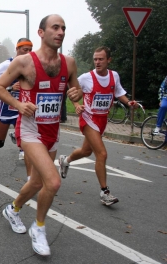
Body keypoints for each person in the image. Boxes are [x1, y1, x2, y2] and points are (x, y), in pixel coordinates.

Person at [0, 14, 82, 256]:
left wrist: (77, 97)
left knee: (37, 181)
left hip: (52, 130)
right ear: (41, 32)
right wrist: (19, 105)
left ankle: (12, 209)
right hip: (30, 130)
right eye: (55, 27)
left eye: (63, 28)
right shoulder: (24, 63)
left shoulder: (70, 63)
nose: (60, 32)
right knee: (52, 182)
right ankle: (39, 228)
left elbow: (76, 90)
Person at [58, 46, 139, 206]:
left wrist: (128, 102)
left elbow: (119, 92)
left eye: (101, 59)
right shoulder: (86, 77)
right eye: (95, 59)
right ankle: (105, 192)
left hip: (102, 120)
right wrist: (76, 104)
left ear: (109, 60)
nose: (97, 62)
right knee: (101, 154)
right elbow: (71, 89)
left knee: (86, 151)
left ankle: (65, 160)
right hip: (88, 119)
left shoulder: (114, 76)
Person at [0, 38, 33, 177]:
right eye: (24, 49)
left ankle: (30, 180)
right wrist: (10, 87)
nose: (27, 53)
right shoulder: (6, 65)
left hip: (22, 110)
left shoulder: (32, 66)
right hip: (5, 109)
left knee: (27, 144)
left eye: (30, 50)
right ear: (17, 49)